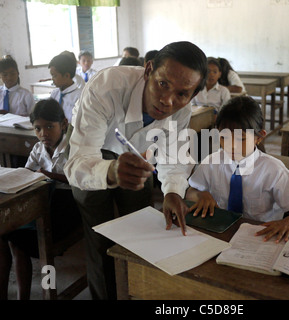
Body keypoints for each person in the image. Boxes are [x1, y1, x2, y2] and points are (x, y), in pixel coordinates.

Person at [64, 41, 207, 300]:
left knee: (141, 225)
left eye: (182, 93)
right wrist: (111, 171)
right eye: (162, 83)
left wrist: (173, 191)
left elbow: (172, 156)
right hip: (92, 150)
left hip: (140, 153)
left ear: (193, 94)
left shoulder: (182, 109)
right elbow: (77, 163)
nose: (167, 101)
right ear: (148, 69)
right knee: (100, 234)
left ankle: (137, 292)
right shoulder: (107, 85)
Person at [186, 96, 289, 243]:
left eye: (241, 139)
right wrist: (201, 195)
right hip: (220, 232)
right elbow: (190, 191)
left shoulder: (273, 170)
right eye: (224, 137)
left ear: (259, 137)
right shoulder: (211, 162)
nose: (232, 146)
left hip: (260, 236)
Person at [0, 99, 81, 300]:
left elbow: (81, 180)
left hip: (68, 205)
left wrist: (47, 174)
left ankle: (47, 291)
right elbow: (28, 172)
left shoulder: (75, 146)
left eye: (49, 127)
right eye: (37, 128)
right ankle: (19, 295)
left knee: (23, 242)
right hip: (44, 198)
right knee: (8, 236)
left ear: (63, 124)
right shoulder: (38, 148)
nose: (43, 133)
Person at [49, 53, 83, 123]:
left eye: (54, 76)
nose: (52, 79)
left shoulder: (80, 97)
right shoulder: (54, 94)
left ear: (67, 76)